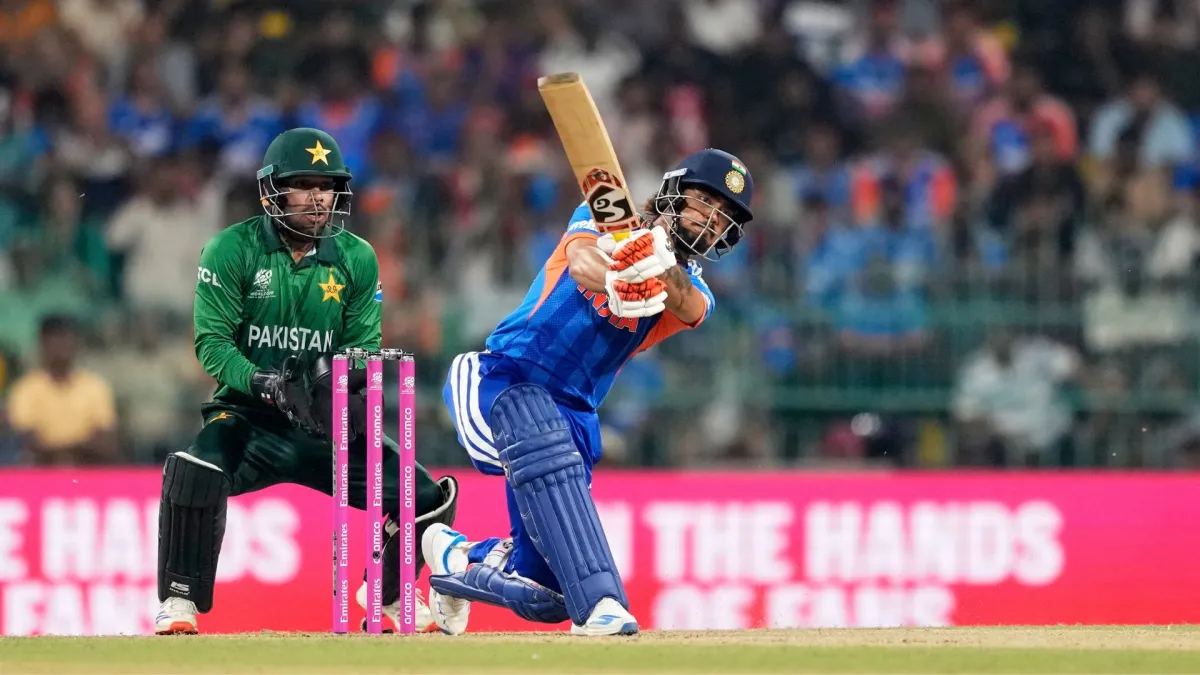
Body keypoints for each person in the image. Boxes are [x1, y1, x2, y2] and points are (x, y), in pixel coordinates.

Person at [424, 149, 754, 636]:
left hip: (573, 416)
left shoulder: (697, 293)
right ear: (674, 191)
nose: (711, 219)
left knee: (544, 595)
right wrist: (618, 277)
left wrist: (659, 267)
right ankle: (602, 603)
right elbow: (582, 262)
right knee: (541, 437)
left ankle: (456, 559)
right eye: (705, 201)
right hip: (504, 378)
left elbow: (685, 302)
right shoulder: (606, 215)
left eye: (724, 215)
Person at [154, 128, 459, 635]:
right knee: (196, 468)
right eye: (303, 185)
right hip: (248, 417)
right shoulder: (231, 249)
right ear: (272, 191)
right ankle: (178, 601)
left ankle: (385, 594)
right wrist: (265, 383)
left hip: (322, 422)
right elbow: (212, 345)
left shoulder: (357, 257)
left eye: (327, 186)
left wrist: (347, 389)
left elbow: (363, 346)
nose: (318, 198)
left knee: (426, 496)